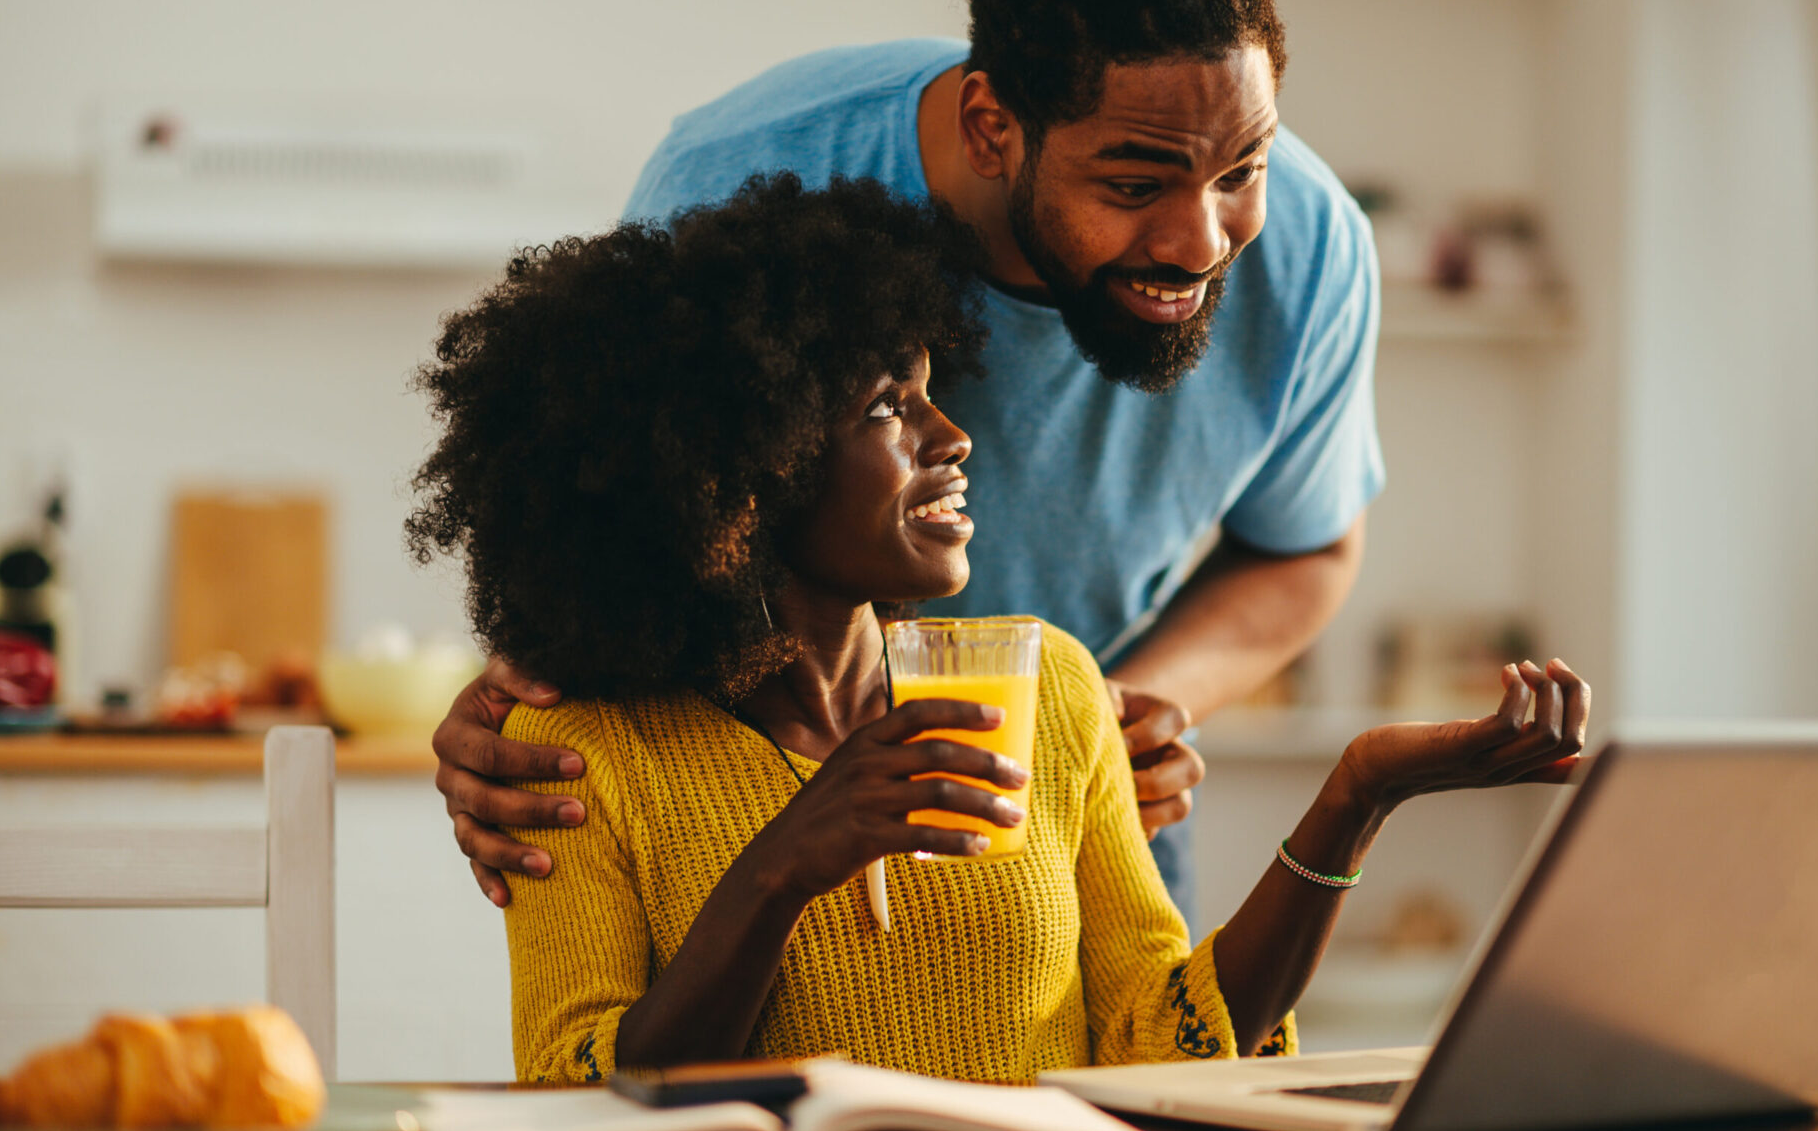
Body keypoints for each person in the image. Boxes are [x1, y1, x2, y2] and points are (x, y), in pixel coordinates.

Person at [407, 174, 1589, 1083]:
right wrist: (784, 863)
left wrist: (1354, 798)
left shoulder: (1051, 684)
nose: (951, 434)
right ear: (743, 474)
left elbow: (1157, 1040)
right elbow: (580, 1105)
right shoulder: (583, 759)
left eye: (932, 388)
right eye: (887, 406)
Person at [433, 0, 1383, 921]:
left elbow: (1306, 548)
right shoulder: (749, 176)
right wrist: (527, 691)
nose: (1201, 243)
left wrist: (1115, 717)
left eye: (1242, 168)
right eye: (1133, 185)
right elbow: (610, 522)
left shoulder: (1312, 247)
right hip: (757, 831)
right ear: (991, 126)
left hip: (1064, 821)